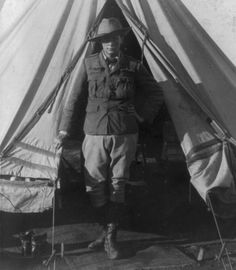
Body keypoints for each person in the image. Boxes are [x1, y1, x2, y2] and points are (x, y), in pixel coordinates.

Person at [55, 17, 163, 260]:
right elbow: (72, 99)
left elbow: (156, 92)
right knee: (93, 183)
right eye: (106, 39)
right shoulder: (87, 63)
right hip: (94, 132)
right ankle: (105, 230)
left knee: (118, 184)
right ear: (101, 42)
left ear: (121, 39)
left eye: (115, 38)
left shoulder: (134, 66)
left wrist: (142, 115)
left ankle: (111, 239)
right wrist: (63, 130)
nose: (111, 43)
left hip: (125, 133)